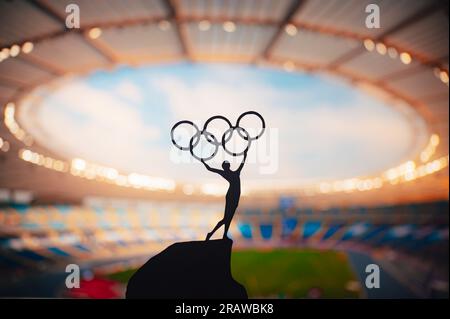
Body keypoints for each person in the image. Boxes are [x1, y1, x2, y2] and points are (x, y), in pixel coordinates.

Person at [201, 150, 248, 240]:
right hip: (231, 196)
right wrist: (245, 155)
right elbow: (210, 169)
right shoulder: (233, 173)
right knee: (226, 218)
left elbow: (210, 169)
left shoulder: (232, 173)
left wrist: (203, 162)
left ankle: (223, 235)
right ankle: (212, 234)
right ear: (226, 167)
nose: (226, 167)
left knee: (228, 218)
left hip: (234, 196)